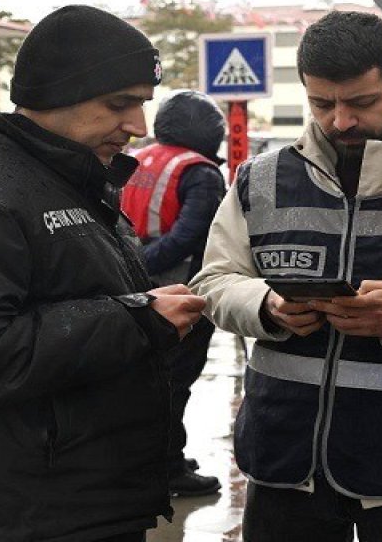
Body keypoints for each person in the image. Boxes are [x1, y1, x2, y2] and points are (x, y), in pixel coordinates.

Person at [0, 4, 206, 542]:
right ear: (58, 93)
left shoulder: (73, 182)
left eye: (142, 104)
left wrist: (148, 312)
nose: (138, 127)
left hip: (91, 503)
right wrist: (138, 320)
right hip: (17, 517)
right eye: (119, 104)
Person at [191, 10, 382, 541]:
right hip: (283, 459)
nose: (341, 121)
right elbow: (213, 282)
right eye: (322, 104)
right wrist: (266, 305)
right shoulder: (262, 178)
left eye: (361, 103)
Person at [121, 90, 227, 497]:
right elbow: (191, 235)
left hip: (131, 288)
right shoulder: (200, 172)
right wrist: (145, 266)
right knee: (174, 382)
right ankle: (167, 468)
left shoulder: (136, 159)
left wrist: (129, 269)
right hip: (181, 294)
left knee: (147, 380)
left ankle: (157, 457)